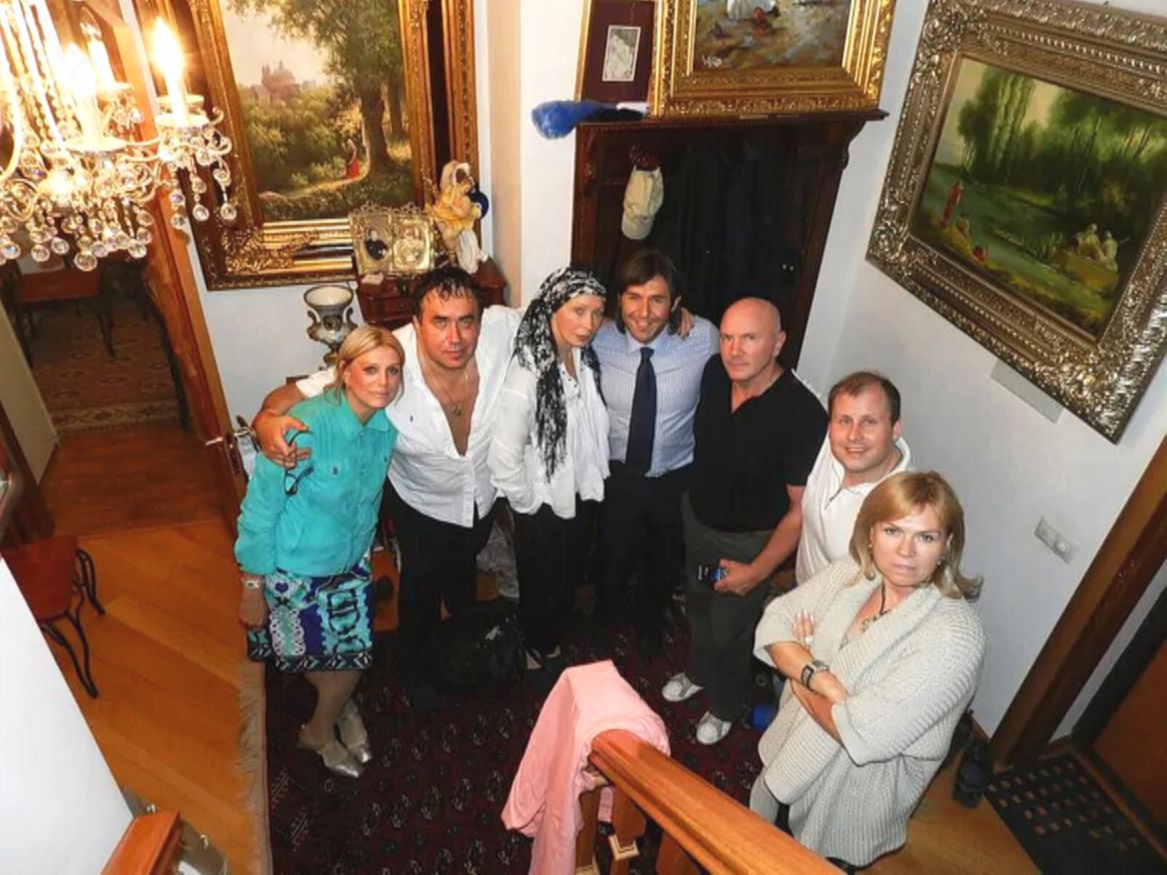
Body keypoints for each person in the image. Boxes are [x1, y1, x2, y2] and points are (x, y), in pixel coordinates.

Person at [253, 265, 521, 710]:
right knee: (420, 587)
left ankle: (463, 639)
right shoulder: (389, 361)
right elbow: (297, 394)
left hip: (481, 496)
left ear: (481, 318)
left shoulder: (501, 330)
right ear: (416, 323)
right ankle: (415, 669)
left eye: (466, 321)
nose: (455, 337)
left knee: (464, 572)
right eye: (440, 322)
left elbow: (562, 312)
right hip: (421, 504)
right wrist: (265, 422)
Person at [750, 471, 985, 870]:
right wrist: (820, 677)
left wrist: (798, 663)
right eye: (893, 530)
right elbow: (774, 621)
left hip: (849, 795)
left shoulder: (955, 638)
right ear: (871, 533)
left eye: (926, 537)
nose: (906, 551)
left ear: (947, 546)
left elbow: (861, 732)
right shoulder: (856, 571)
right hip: (791, 745)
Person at [236, 326, 404, 778]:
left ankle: (325, 719)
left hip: (351, 564)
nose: (383, 382)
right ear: (344, 372)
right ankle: (323, 728)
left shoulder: (384, 429)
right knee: (315, 656)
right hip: (296, 570)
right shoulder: (303, 429)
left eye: (393, 371)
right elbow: (259, 509)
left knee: (351, 658)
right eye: (370, 369)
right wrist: (252, 585)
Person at [661, 298, 826, 745]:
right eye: (727, 338)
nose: (734, 350)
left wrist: (757, 572)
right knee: (698, 606)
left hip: (746, 544)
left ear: (778, 343)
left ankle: (725, 704)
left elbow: (799, 511)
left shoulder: (802, 414)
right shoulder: (715, 373)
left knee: (729, 629)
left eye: (749, 338)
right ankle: (698, 672)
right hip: (699, 523)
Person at [591, 249, 718, 658]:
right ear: (618, 299)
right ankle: (607, 618)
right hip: (616, 473)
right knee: (611, 553)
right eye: (633, 297)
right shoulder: (597, 338)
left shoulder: (703, 339)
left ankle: (650, 622)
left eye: (657, 300)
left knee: (664, 560)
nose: (643, 313)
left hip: (675, 475)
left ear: (676, 303)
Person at [489, 268, 609, 684]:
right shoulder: (528, 373)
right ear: (552, 308)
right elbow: (503, 456)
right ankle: (538, 650)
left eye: (597, 312)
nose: (589, 323)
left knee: (564, 576)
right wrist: (529, 505)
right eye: (578, 311)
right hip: (543, 505)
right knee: (542, 580)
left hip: (578, 493)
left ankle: (548, 635)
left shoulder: (582, 357)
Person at [796, 371, 911, 584]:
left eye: (869, 422)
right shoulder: (830, 447)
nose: (853, 435)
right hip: (799, 593)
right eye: (844, 421)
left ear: (895, 429)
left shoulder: (905, 510)